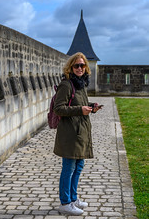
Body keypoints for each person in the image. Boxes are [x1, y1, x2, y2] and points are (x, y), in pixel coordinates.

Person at [53, 52, 101, 215]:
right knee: (69, 168)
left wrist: (90, 106)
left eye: (82, 65)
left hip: (80, 132)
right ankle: (65, 203)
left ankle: (73, 199)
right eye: (76, 65)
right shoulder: (66, 84)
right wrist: (80, 110)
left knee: (78, 166)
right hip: (70, 134)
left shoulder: (81, 84)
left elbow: (78, 103)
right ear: (70, 67)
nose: (80, 68)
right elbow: (58, 108)